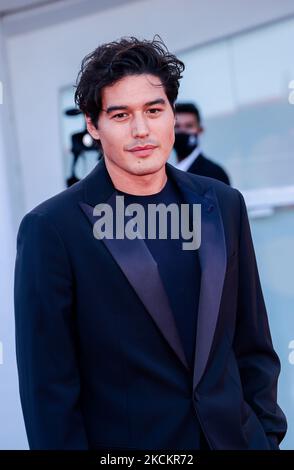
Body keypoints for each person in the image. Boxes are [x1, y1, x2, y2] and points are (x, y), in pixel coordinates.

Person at [14, 36, 286, 450]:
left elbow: (252, 343)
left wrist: (265, 435)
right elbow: (48, 392)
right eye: (120, 115)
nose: (141, 130)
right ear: (93, 124)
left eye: (154, 111)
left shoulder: (224, 204)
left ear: (171, 114)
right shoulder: (52, 230)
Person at [174, 102, 231, 185]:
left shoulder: (214, 174)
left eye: (189, 126)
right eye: (177, 127)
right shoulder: (164, 173)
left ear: (200, 130)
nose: (182, 131)